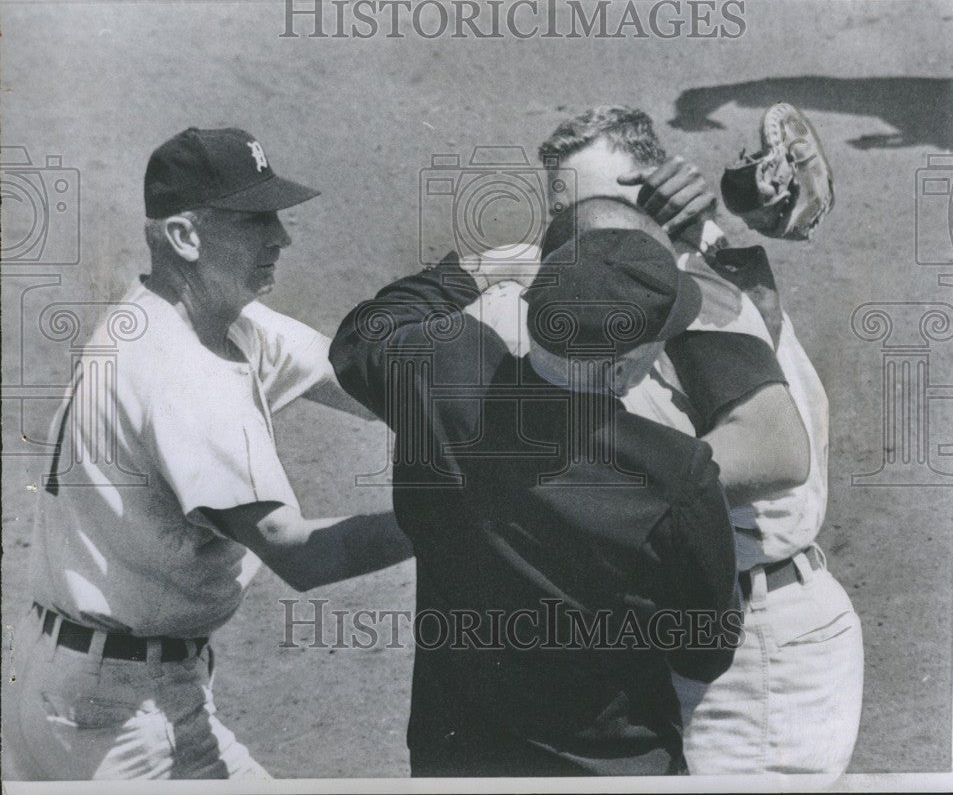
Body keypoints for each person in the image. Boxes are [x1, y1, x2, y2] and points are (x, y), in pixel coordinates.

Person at [330, 197, 805, 776]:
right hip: (608, 766)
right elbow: (705, 653)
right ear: (621, 369)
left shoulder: (443, 368)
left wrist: (486, 266)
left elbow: (361, 333)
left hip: (453, 758)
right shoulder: (673, 472)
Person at [4, 127, 411, 781]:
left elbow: (363, 380)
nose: (282, 236)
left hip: (71, 685)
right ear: (184, 237)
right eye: (255, 220)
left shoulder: (189, 318)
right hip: (118, 721)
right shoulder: (180, 373)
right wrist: (459, 515)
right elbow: (300, 551)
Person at [476, 105, 864, 774]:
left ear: (658, 190)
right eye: (562, 215)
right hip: (690, 632)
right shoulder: (637, 281)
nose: (579, 237)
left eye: (600, 204)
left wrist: (582, 486)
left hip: (756, 649)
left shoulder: (698, 293)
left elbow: (775, 455)